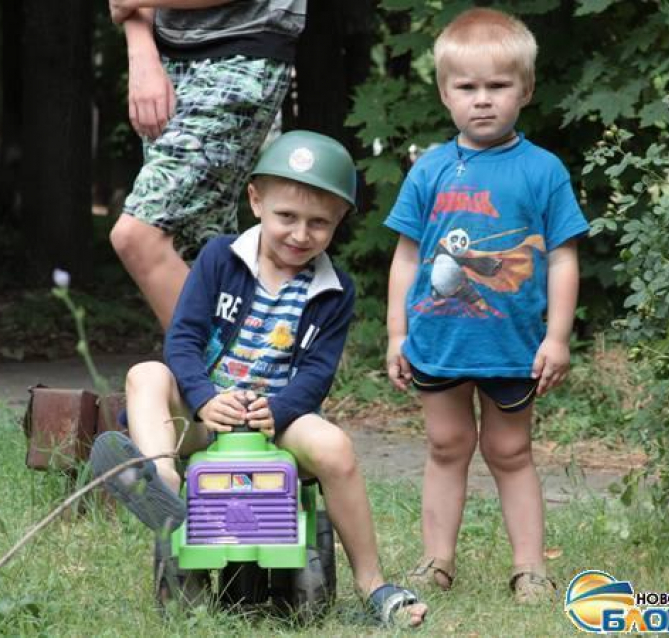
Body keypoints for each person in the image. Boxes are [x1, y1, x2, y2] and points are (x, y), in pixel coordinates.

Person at [92, 131, 428, 627]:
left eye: (319, 223)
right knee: (146, 374)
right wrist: (204, 399)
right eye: (286, 217)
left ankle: (374, 586)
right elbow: (182, 340)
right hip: (206, 416)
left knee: (335, 448)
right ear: (256, 201)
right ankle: (160, 484)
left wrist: (282, 410)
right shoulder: (219, 259)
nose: (300, 234)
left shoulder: (334, 291)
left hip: (278, 420)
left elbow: (317, 372)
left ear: (338, 222)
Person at [384, 8, 589, 604]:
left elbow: (563, 259)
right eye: (467, 87)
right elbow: (404, 258)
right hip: (438, 341)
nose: (482, 101)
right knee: (446, 447)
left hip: (512, 345)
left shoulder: (544, 170)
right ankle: (436, 562)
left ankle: (530, 569)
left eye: (498, 86)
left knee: (510, 451)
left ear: (524, 89)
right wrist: (397, 333)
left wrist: (557, 337)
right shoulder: (428, 168)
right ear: (445, 92)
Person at [107, 0, 306, 329]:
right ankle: (249, 369)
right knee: (198, 253)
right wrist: (142, 55)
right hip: (167, 59)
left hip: (244, 49)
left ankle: (232, 367)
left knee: (139, 235)